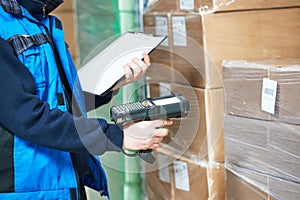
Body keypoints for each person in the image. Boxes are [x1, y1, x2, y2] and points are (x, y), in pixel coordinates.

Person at [0, 0, 172, 199]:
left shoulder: (40, 21)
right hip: (27, 190)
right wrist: (118, 136)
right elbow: (27, 117)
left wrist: (112, 84)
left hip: (64, 183)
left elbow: (60, 100)